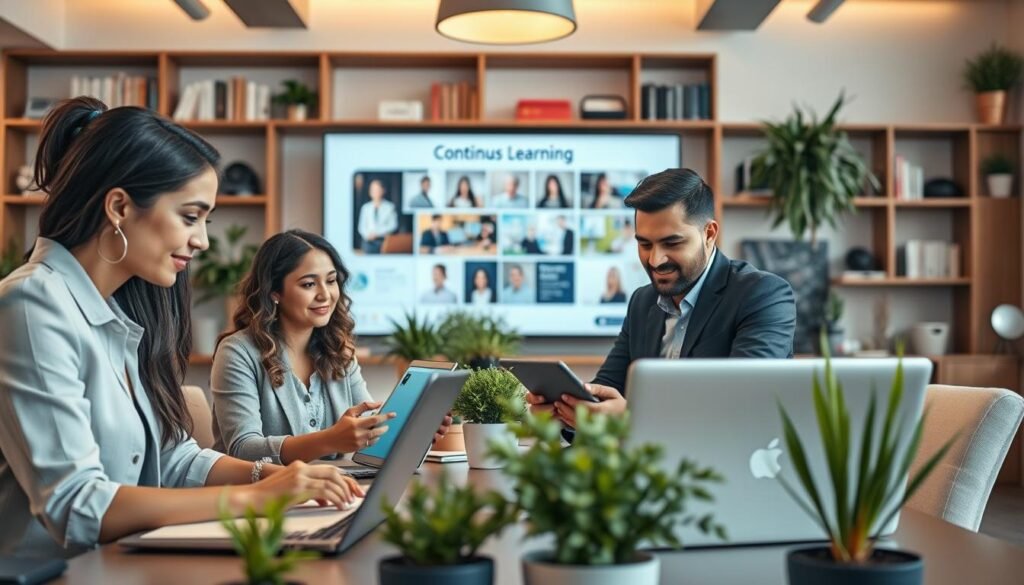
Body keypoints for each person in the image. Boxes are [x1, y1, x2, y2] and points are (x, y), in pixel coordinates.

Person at [0, 98, 361, 560]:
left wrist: (275, 478)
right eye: (190, 216)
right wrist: (258, 498)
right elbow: (78, 506)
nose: (203, 240)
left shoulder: (118, 310)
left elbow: (174, 459)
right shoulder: (33, 305)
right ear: (119, 207)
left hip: (124, 564)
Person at [527, 168, 796, 429]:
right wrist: (569, 414)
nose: (655, 260)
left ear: (709, 234)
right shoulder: (642, 303)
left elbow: (743, 404)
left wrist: (632, 418)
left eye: (672, 243)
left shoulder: (763, 295)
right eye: (644, 244)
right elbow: (606, 395)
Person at [211, 229, 451, 465]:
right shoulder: (237, 352)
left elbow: (368, 431)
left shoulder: (339, 351)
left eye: (331, 280)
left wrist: (415, 432)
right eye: (308, 285)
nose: (325, 295)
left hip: (326, 492)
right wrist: (330, 440)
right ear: (275, 292)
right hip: (258, 498)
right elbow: (242, 449)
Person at [356, 179, 398, 254]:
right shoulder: (365, 207)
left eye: (377, 189)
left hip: (384, 241)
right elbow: (361, 227)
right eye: (373, 189)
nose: (375, 192)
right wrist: (368, 235)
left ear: (383, 190)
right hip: (368, 241)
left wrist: (377, 233)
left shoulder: (390, 207)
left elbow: (393, 225)